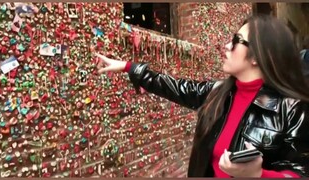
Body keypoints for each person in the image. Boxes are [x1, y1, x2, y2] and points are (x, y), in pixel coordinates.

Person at [95, 14, 309, 178]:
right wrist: (129, 67)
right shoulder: (219, 92)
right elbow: (176, 87)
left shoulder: (292, 108)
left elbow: (299, 172)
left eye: (236, 40)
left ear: (258, 55)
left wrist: (257, 175)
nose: (226, 46)